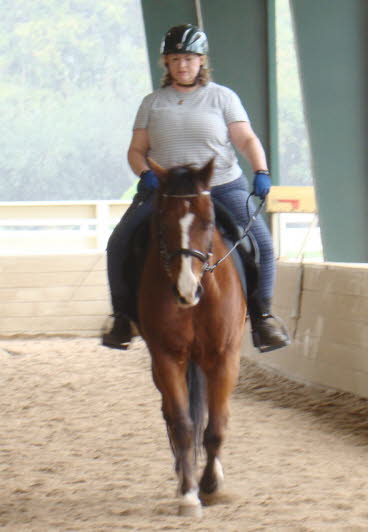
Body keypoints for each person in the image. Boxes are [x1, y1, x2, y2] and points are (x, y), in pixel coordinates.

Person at [102, 24, 290, 353]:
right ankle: (121, 317)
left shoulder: (222, 97)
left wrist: (260, 169)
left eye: (188, 58)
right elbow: (136, 150)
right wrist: (144, 172)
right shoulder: (152, 103)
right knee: (119, 241)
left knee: (260, 241)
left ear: (201, 61)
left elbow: (245, 138)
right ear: (166, 64)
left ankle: (263, 317)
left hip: (221, 187)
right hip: (166, 192)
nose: (182, 65)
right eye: (175, 59)